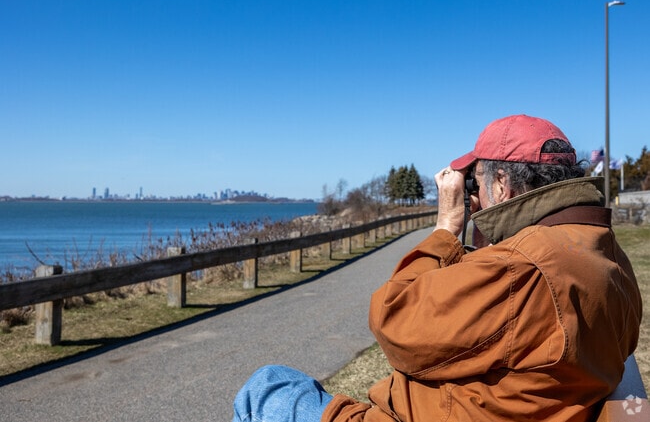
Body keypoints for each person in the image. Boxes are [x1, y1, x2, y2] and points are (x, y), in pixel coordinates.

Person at [232, 114, 642, 422]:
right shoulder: (605, 255)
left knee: (268, 386)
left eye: (476, 184)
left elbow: (395, 323)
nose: (474, 196)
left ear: (501, 184)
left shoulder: (521, 269)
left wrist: (447, 227)